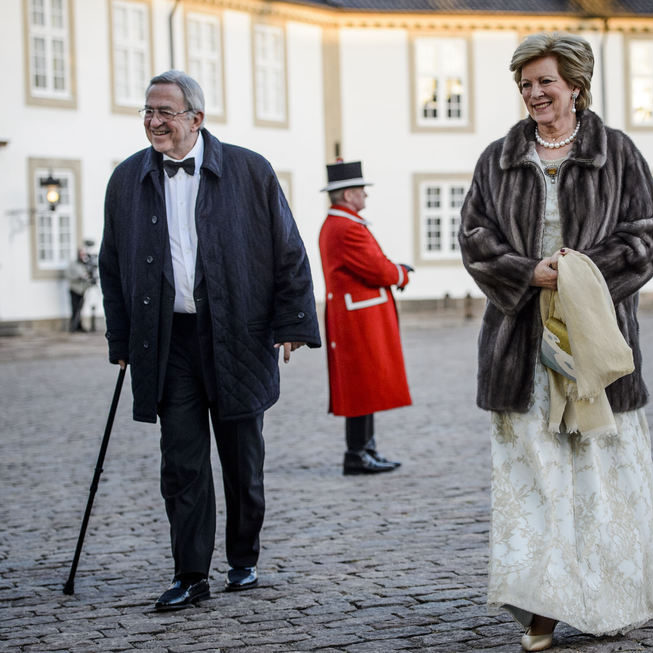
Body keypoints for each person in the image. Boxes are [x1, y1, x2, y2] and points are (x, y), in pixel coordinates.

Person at [458, 32, 653, 651]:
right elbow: (473, 235)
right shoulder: (497, 157)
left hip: (595, 346)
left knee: (600, 479)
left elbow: (646, 234)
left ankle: (609, 596)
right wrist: (528, 272)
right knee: (536, 481)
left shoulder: (618, 153)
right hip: (520, 348)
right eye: (525, 84)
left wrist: (578, 273)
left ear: (575, 84)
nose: (535, 93)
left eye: (545, 81)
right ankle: (542, 608)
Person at [99, 70, 321, 610]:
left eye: (165, 113)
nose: (154, 122)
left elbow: (288, 249)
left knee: (242, 458)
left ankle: (242, 560)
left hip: (237, 335)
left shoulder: (250, 170)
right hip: (166, 340)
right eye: (147, 112)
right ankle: (190, 572)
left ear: (196, 119)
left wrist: (292, 322)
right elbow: (112, 264)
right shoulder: (126, 180)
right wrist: (122, 337)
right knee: (182, 461)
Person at [318, 160, 412, 475]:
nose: (365, 197)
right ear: (346, 195)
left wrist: (394, 269)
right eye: (360, 191)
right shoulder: (346, 227)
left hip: (358, 316)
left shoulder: (344, 223)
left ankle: (365, 448)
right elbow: (376, 269)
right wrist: (400, 273)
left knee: (366, 385)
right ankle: (357, 453)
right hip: (357, 321)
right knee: (360, 386)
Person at [67, 241, 96, 332]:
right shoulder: (73, 264)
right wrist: (78, 277)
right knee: (75, 308)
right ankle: (73, 327)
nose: (82, 256)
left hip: (82, 290)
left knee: (80, 309)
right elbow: (68, 275)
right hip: (75, 289)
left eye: (83, 254)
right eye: (81, 254)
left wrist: (90, 280)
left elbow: (88, 276)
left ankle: (79, 326)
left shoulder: (84, 265)